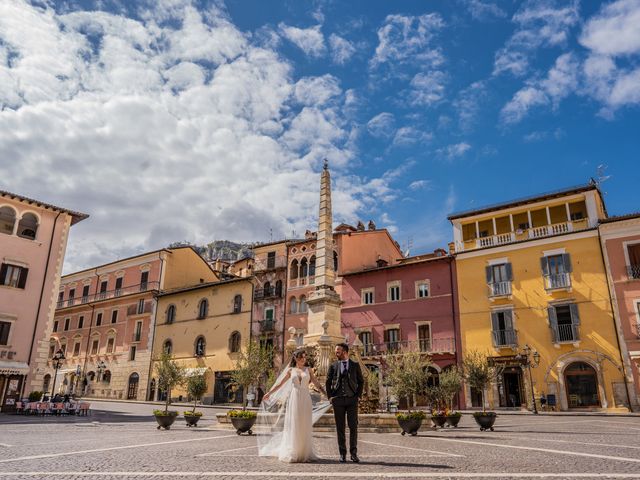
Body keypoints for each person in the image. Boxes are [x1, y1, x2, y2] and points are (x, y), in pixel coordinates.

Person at [258, 349, 329, 463]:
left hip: (305, 398)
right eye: (301, 357)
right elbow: (280, 384)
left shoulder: (308, 370)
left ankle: (303, 452)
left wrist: (326, 394)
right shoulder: (291, 370)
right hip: (294, 398)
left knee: (304, 423)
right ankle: (293, 451)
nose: (303, 359)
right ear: (295, 358)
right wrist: (269, 393)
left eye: (304, 357)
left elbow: (316, 383)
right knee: (294, 424)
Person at [326, 342, 364, 463]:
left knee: (353, 427)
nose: (336, 353)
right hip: (338, 400)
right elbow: (328, 381)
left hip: (352, 399)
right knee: (340, 428)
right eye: (336, 351)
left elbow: (361, 381)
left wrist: (358, 396)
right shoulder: (333, 365)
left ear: (345, 352)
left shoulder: (355, 365)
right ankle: (342, 454)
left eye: (338, 351)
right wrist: (330, 397)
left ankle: (354, 454)